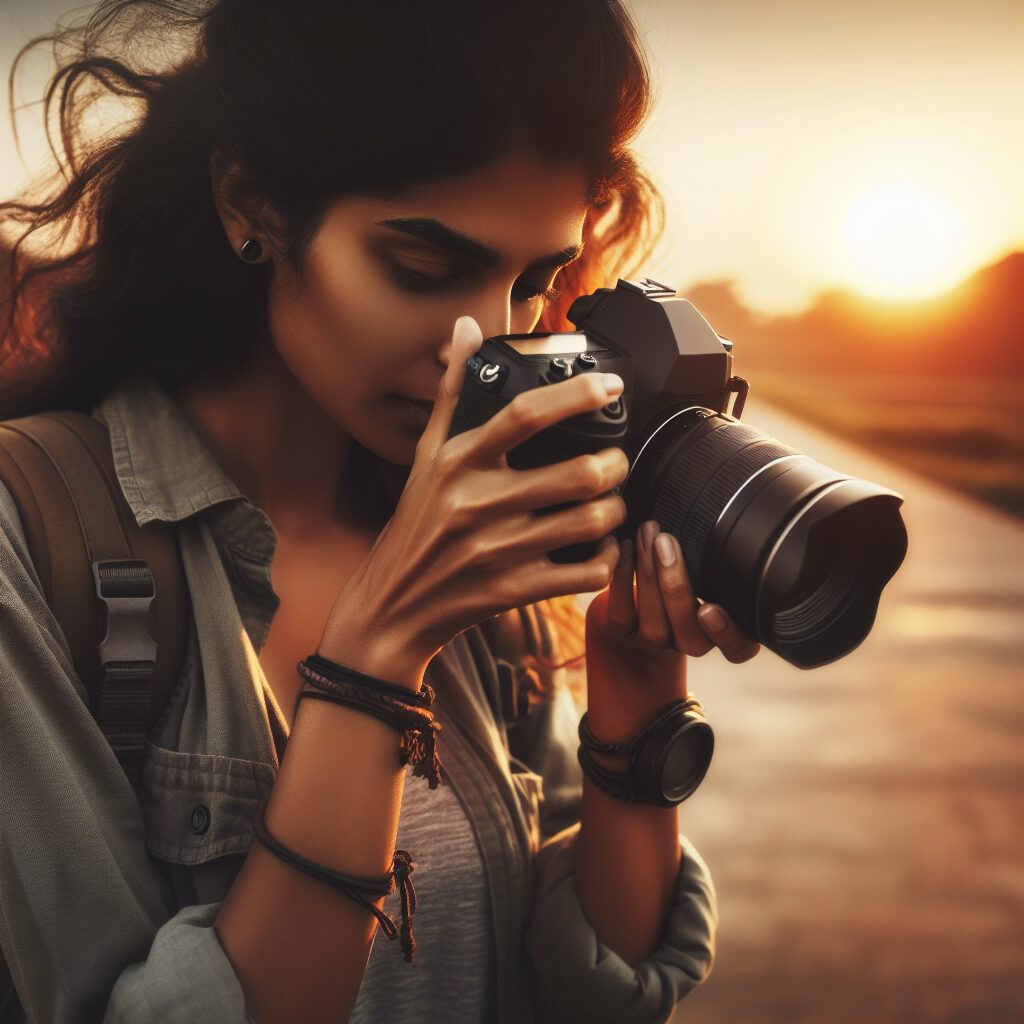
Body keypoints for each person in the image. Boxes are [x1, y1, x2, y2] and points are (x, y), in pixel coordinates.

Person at [0, 1, 760, 1021]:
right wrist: (370, 666)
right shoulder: (33, 534)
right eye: (424, 268)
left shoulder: (471, 529)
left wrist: (633, 703)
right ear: (248, 204)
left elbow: (585, 997)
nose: (481, 341)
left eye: (532, 282)